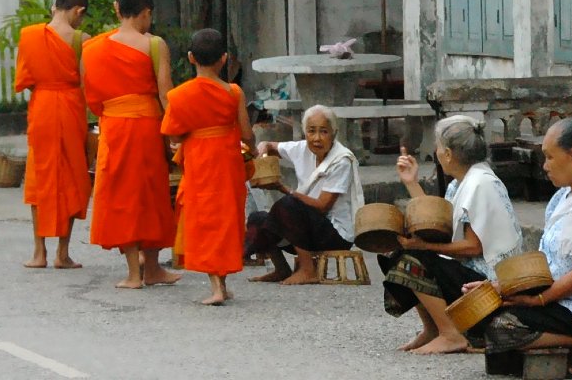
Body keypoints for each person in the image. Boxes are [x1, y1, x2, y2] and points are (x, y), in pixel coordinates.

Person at [464, 117, 572, 379]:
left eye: (549, 157)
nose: (545, 166)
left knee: (501, 327)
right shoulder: (562, 197)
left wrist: (539, 300)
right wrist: (498, 288)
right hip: (558, 296)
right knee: (476, 318)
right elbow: (545, 263)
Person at [379, 115, 523, 355]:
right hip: (470, 273)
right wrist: (411, 183)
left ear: (447, 154)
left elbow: (473, 248)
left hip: (487, 285)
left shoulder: (481, 183)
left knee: (414, 259)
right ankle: (433, 328)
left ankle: (451, 334)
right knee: (399, 252)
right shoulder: (462, 182)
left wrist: (425, 246)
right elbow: (437, 224)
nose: (436, 152)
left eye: (437, 147)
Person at [81, 0, 180, 289]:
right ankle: (151, 267)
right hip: (147, 127)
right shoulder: (153, 44)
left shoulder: (92, 48)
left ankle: (135, 273)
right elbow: (166, 95)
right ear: (146, 12)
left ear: (116, 8)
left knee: (121, 196)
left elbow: (92, 98)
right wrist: (177, 132)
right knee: (150, 196)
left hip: (113, 126)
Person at [161, 28, 253, 305]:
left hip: (200, 161)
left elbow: (174, 134)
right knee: (226, 219)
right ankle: (221, 283)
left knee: (204, 220)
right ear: (224, 59)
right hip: (227, 161)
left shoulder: (179, 96)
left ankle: (216, 287)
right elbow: (247, 134)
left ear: (191, 58)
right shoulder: (234, 92)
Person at [15, 0, 92, 269]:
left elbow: (25, 78)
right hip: (71, 107)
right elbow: (88, 84)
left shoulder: (30, 35)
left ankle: (39, 253)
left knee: (40, 174)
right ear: (78, 11)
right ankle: (63, 253)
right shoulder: (82, 40)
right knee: (72, 176)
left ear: (54, 8)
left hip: (43, 107)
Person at [245, 104, 364, 285]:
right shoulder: (302, 148)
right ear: (304, 132)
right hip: (305, 231)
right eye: (311, 131)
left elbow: (323, 206)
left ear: (334, 133)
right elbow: (270, 146)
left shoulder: (341, 160)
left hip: (334, 234)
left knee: (289, 204)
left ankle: (308, 270)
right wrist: (263, 147)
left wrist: (284, 189)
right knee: (257, 218)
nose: (316, 138)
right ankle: (281, 269)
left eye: (323, 132)